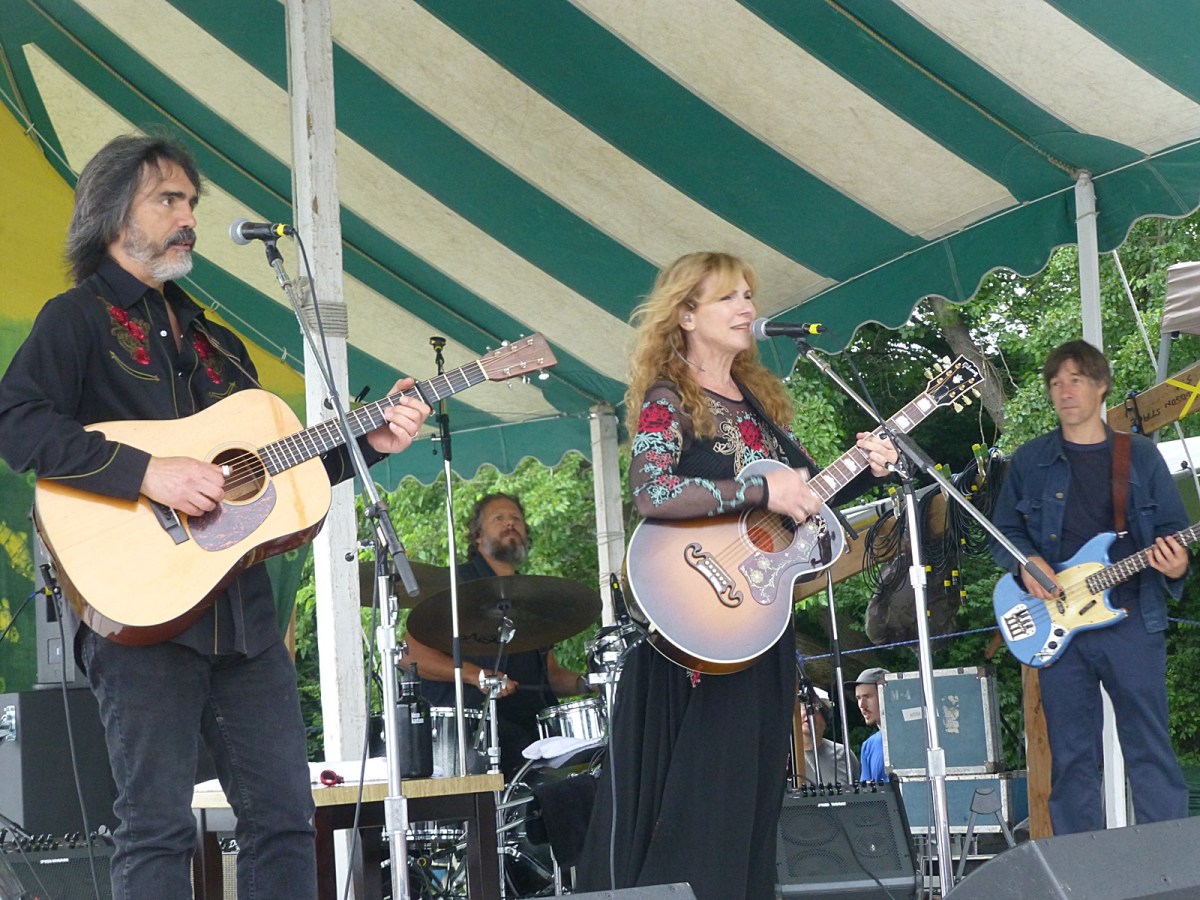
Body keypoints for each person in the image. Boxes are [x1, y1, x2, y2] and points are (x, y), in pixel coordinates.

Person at [0, 134, 431, 900]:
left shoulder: (218, 343)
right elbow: (17, 424)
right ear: (111, 213)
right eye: (168, 199)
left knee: (286, 821)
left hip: (243, 618)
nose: (187, 215)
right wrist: (147, 473)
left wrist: (372, 442)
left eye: (191, 202)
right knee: (155, 828)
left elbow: (277, 471)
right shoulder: (76, 321)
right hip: (142, 614)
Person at [575, 251, 898, 900]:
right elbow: (652, 491)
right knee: (700, 810)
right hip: (697, 630)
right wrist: (754, 492)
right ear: (687, 314)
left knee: (751, 813)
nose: (748, 307)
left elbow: (803, 498)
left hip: (760, 628)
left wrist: (866, 464)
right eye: (730, 297)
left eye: (749, 295)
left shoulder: (760, 406)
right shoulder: (669, 399)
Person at [990, 339, 1190, 836]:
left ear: (1102, 386)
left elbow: (1173, 531)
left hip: (1132, 620)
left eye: (1075, 379)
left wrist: (1176, 564)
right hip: (1058, 625)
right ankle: (1080, 876)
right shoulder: (1031, 460)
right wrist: (1028, 563)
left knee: (1150, 748)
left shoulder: (1140, 457)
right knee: (1073, 758)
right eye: (1055, 382)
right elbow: (1002, 534)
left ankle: (1168, 870)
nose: (1064, 390)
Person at [401, 492, 589, 777]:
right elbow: (409, 653)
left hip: (535, 730)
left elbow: (549, 675)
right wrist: (475, 675)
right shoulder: (456, 585)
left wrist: (591, 683)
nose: (510, 524)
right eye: (498, 518)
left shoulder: (534, 596)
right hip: (472, 732)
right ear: (477, 536)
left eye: (516, 518)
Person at [796, 687, 860, 787]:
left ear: (827, 717)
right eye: (805, 706)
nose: (810, 714)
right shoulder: (781, 758)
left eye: (817, 708)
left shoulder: (844, 755)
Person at [847, 666, 890, 782]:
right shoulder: (868, 746)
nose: (862, 705)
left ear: (886, 694)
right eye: (858, 698)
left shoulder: (914, 736)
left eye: (867, 696)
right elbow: (868, 795)